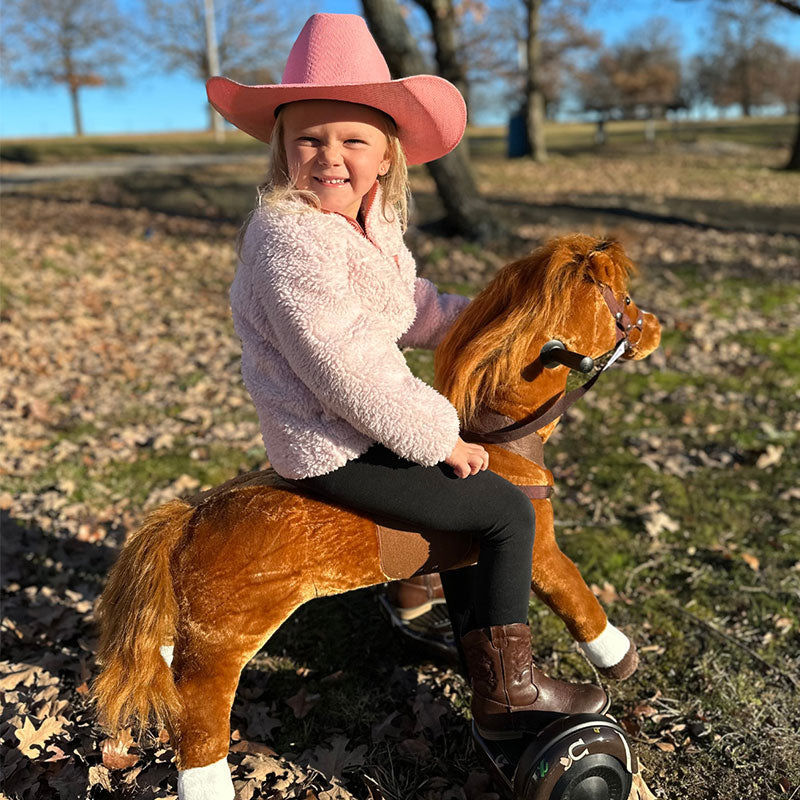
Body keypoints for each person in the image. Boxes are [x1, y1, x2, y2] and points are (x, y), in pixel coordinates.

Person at [208, 12, 608, 740]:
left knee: (468, 511)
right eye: (310, 139)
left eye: (353, 140)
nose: (331, 157)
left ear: (387, 156)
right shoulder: (289, 237)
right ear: (281, 149)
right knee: (507, 512)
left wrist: (494, 323)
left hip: (363, 421)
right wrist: (439, 438)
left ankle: (477, 651)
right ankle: (509, 690)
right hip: (330, 443)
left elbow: (412, 308)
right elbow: (343, 367)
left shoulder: (366, 227)